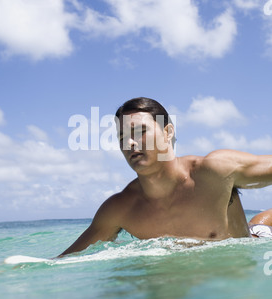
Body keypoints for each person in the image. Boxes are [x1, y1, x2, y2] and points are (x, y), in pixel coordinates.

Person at [58, 97, 272, 257]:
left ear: (168, 132)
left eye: (140, 131)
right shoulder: (120, 209)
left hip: (257, 241)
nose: (130, 143)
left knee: (259, 226)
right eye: (122, 136)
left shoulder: (214, 171)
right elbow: (63, 261)